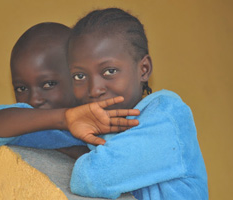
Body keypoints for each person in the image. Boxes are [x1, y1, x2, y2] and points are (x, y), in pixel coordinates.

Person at [66, 8, 208, 199]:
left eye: (109, 71)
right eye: (80, 76)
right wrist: (62, 120)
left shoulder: (168, 116)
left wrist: (75, 149)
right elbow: (14, 130)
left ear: (144, 69)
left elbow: (91, 178)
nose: (94, 89)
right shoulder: (100, 122)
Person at [0, 23, 140, 158]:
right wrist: (64, 119)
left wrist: (78, 150)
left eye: (48, 84)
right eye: (21, 88)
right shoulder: (35, 127)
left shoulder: (123, 123)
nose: (34, 99)